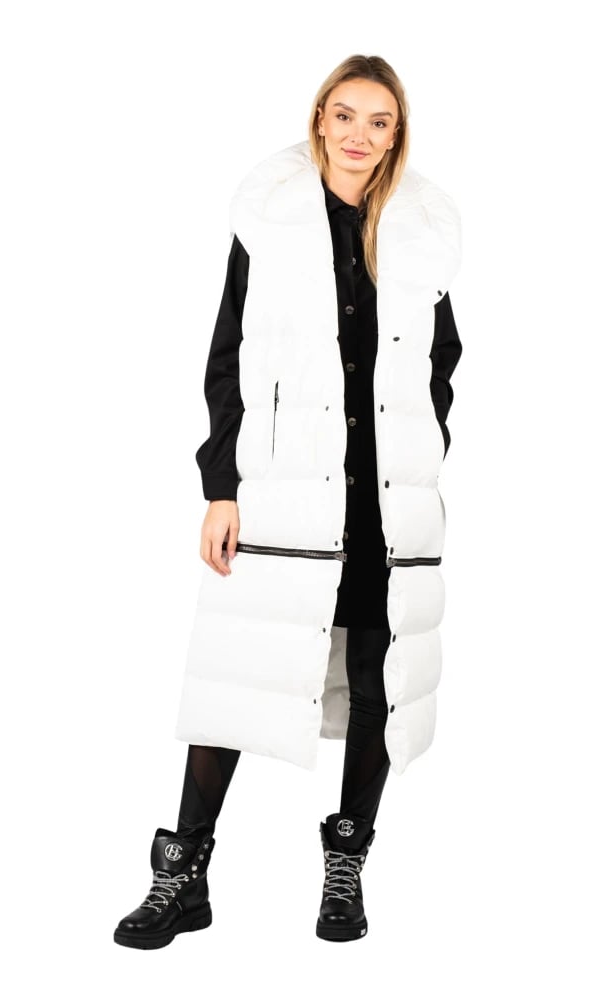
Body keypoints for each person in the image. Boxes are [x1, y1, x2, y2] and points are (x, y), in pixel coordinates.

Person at [114, 53, 463, 950]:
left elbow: (441, 362)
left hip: (385, 502)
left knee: (380, 679)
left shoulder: (420, 234)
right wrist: (220, 487)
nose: (358, 135)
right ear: (319, 120)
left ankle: (346, 865)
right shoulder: (269, 223)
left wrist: (423, 450)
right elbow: (227, 355)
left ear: (396, 134)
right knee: (237, 672)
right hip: (284, 493)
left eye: (378, 121)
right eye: (344, 115)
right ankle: (183, 874)